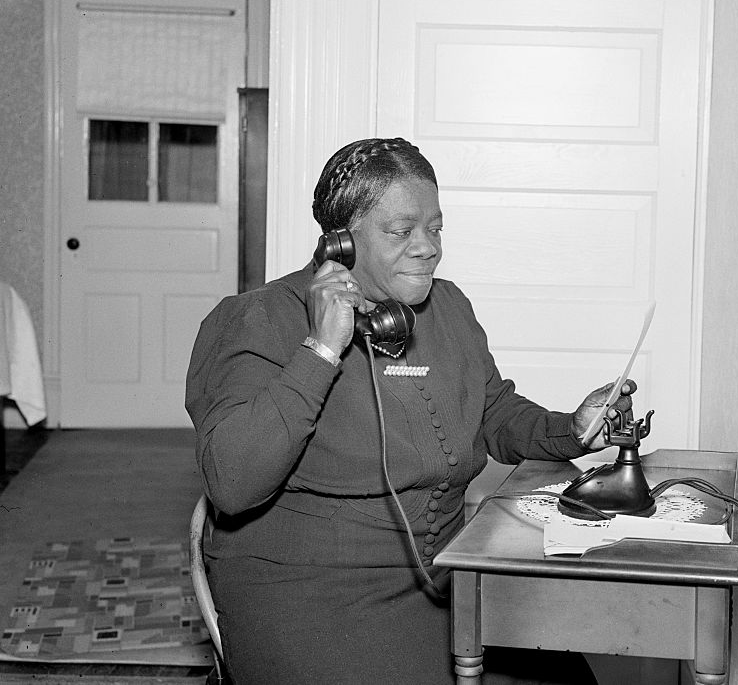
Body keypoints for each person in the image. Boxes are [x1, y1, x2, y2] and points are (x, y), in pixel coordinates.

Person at [185, 137, 636, 684]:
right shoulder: (254, 320)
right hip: (307, 590)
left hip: (444, 579)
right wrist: (321, 351)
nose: (428, 247)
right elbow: (231, 482)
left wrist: (571, 428)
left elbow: (494, 412)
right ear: (340, 245)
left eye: (436, 227)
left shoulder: (448, 308)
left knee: (568, 679)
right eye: (401, 231)